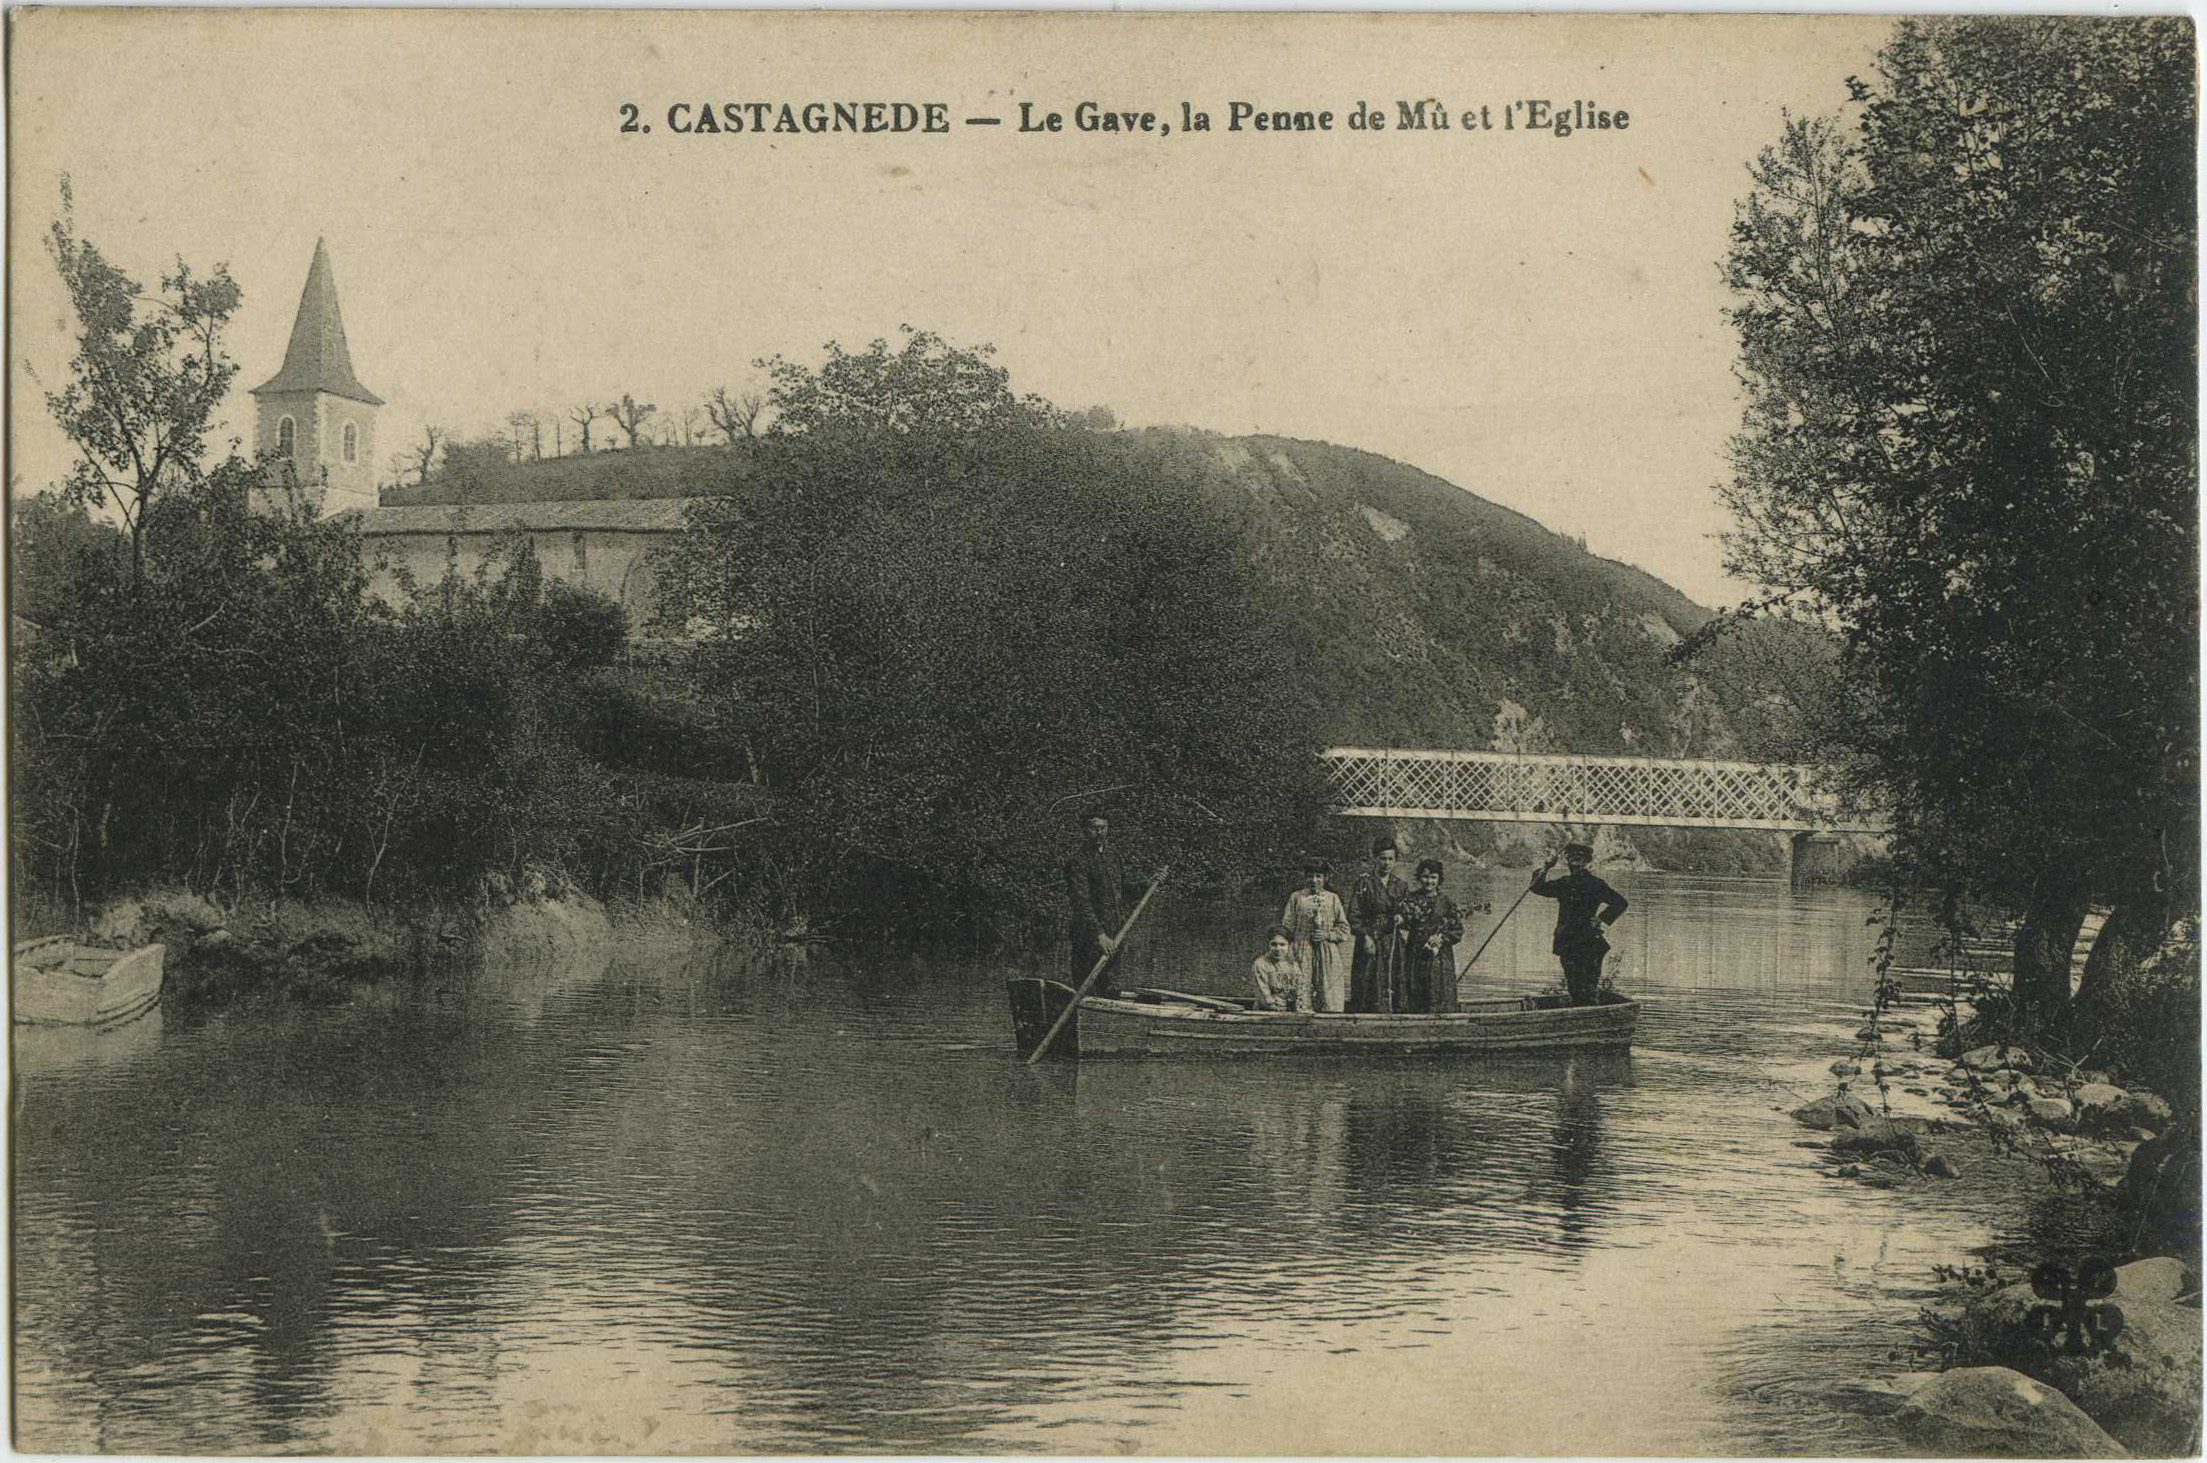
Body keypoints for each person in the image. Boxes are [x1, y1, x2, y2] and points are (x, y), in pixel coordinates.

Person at [1528, 841, 1630, 1006]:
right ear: (1567, 860)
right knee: (1573, 986)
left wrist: (1601, 919)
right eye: (1571, 856)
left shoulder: (1596, 884)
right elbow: (1536, 888)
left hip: (1588, 942)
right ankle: (1579, 1015)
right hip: (1567, 941)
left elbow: (1620, 902)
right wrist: (1546, 868)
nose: (1574, 860)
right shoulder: (1564, 883)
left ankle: (1588, 1016)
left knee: (1587, 987)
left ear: (1586, 861)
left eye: (1579, 857)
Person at [1063, 808, 1141, 996]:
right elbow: (1081, 902)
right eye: (1094, 828)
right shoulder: (1077, 861)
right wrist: (1099, 934)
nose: (1099, 833)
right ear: (1084, 830)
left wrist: (1150, 883)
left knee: (1111, 990)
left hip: (1115, 936)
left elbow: (1125, 890)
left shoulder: (1113, 856)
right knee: (1084, 991)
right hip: (1088, 937)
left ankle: (1109, 1024)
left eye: (1103, 828)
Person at [1281, 859, 1353, 1012]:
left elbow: (1344, 927)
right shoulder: (1297, 898)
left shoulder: (1333, 898)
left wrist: (1327, 935)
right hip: (1301, 949)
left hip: (1327, 951)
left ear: (1325, 878)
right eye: (1310, 876)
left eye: (1318, 876)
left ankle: (1329, 1020)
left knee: (1328, 990)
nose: (1314, 880)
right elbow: (1286, 926)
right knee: (1302, 986)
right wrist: (1291, 946)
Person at [1397, 858, 1465, 1013]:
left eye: (1433, 877)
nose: (1429, 881)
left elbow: (1458, 930)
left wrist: (1441, 937)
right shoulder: (1411, 899)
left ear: (1439, 879)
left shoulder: (1446, 902)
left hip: (1440, 956)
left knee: (1439, 989)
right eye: (1425, 877)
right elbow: (1402, 923)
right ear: (1420, 878)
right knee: (1415, 988)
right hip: (1416, 953)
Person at [1348, 837, 1408, 1013]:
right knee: (1367, 978)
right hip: (1369, 938)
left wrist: (1402, 917)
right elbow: (1354, 914)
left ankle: (1394, 1014)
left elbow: (1407, 913)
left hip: (1392, 941)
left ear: (1395, 860)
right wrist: (1364, 936)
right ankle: (1365, 1015)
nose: (1387, 863)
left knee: (1393, 976)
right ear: (1375, 859)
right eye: (1382, 858)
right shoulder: (1364, 883)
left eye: (1390, 859)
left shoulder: (1400, 885)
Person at [1250, 925, 1313, 1012]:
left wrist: (1300, 1007)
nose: (1278, 948)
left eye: (1282, 944)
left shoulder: (1292, 964)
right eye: (1274, 944)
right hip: (1267, 1012)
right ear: (1268, 944)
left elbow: (1300, 990)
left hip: (1292, 1011)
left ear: (1289, 945)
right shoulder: (1260, 964)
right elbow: (1264, 997)